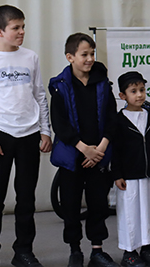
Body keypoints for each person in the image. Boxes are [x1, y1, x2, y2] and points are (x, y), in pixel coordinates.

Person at [0, 5, 53, 267]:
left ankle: (24, 252)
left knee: (26, 197)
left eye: (23, 27)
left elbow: (39, 95)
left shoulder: (31, 58)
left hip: (29, 135)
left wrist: (45, 130)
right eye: (15, 28)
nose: (21, 32)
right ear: (0, 31)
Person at [49, 33, 118, 267]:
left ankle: (97, 250)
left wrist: (100, 148)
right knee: (70, 204)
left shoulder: (103, 83)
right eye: (84, 54)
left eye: (92, 54)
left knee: (99, 203)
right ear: (70, 57)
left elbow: (111, 118)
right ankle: (75, 250)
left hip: (99, 154)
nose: (89, 59)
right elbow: (59, 124)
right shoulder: (60, 86)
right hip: (73, 155)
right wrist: (83, 148)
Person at [112, 72, 150, 267]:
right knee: (131, 214)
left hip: (149, 175)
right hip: (129, 177)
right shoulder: (119, 120)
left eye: (142, 90)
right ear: (123, 96)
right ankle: (129, 252)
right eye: (133, 91)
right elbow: (115, 150)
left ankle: (147, 249)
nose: (139, 95)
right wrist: (117, 174)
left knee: (149, 212)